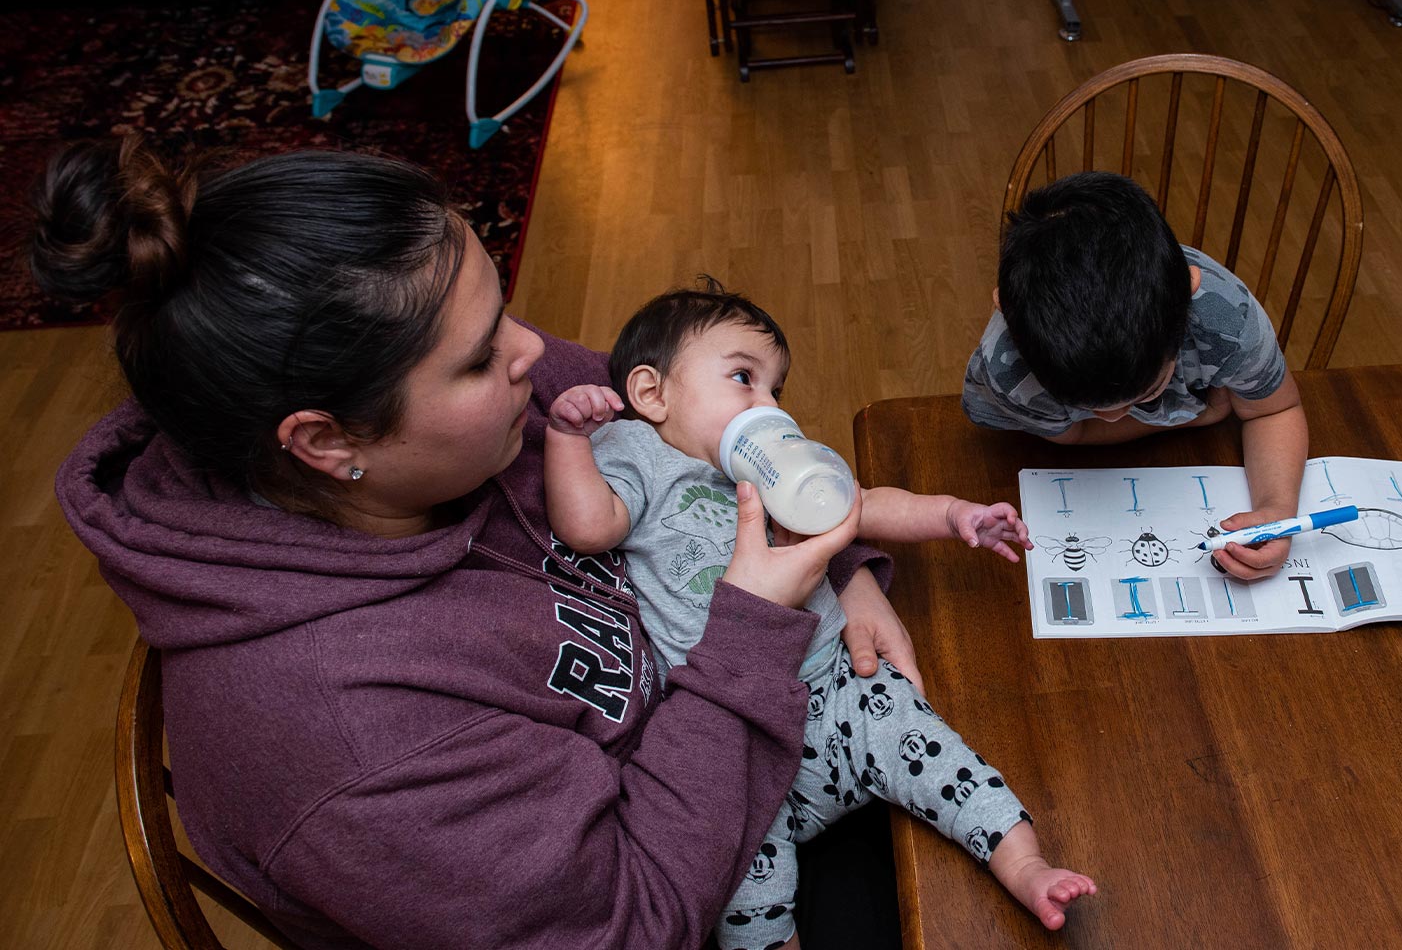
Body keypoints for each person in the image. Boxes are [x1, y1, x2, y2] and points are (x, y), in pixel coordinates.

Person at [35, 137, 915, 949]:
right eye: (476, 358)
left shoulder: (488, 416)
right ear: (326, 442)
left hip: (745, 729)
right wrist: (754, 627)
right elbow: (634, 923)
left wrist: (845, 568)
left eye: (503, 312)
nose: (533, 350)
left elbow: (697, 446)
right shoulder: (344, 743)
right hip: (692, 884)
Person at [542, 283, 1097, 950]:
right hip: (737, 728)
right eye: (744, 378)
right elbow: (588, 525)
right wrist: (568, 438)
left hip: (841, 687)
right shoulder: (639, 457)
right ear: (653, 394)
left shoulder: (778, 468)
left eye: (777, 391)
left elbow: (865, 504)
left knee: (948, 759)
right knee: (737, 870)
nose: (769, 407)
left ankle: (1025, 864)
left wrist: (954, 515)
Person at [963, 170, 1309, 581]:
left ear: (1189, 296)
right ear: (1006, 309)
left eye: (1147, 391)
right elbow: (1072, 435)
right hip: (1026, 451)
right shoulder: (1007, 369)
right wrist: (1197, 416)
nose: (1112, 417)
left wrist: (1275, 509)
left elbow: (1274, 411)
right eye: (1085, 405)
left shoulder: (1225, 316)